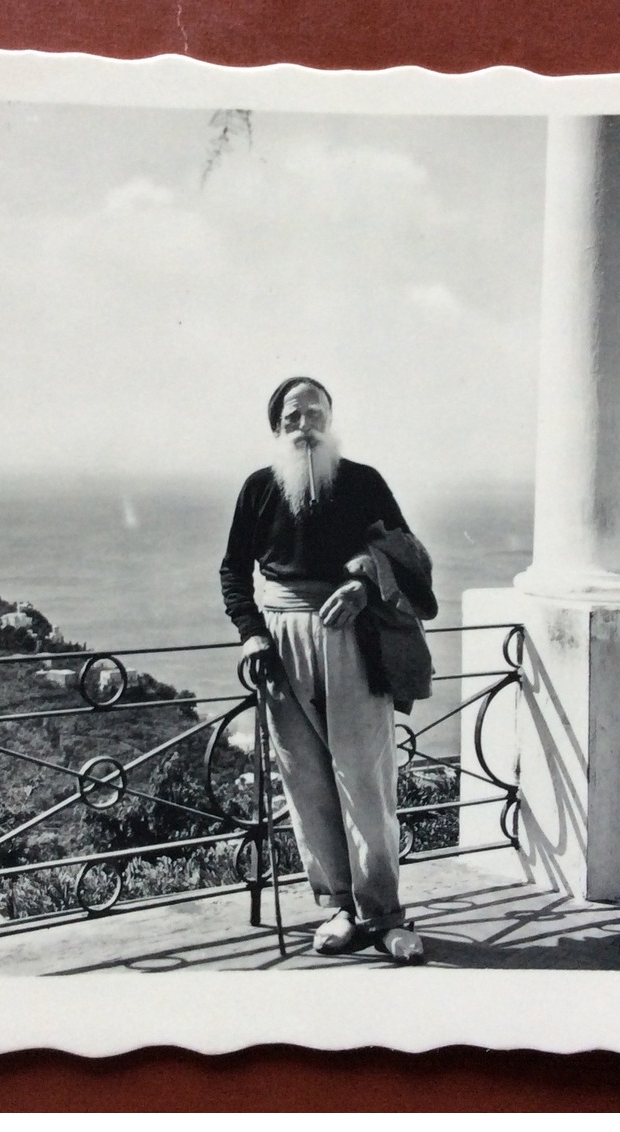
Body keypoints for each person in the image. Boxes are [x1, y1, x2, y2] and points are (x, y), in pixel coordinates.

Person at [219, 376, 432, 963]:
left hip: (353, 636)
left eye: (316, 413)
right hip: (281, 643)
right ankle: (339, 907)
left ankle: (385, 915)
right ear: (277, 426)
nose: (305, 424)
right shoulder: (259, 489)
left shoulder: (363, 482)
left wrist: (364, 584)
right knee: (307, 783)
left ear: (330, 421)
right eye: (293, 416)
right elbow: (233, 572)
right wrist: (252, 633)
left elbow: (409, 552)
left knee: (365, 777)